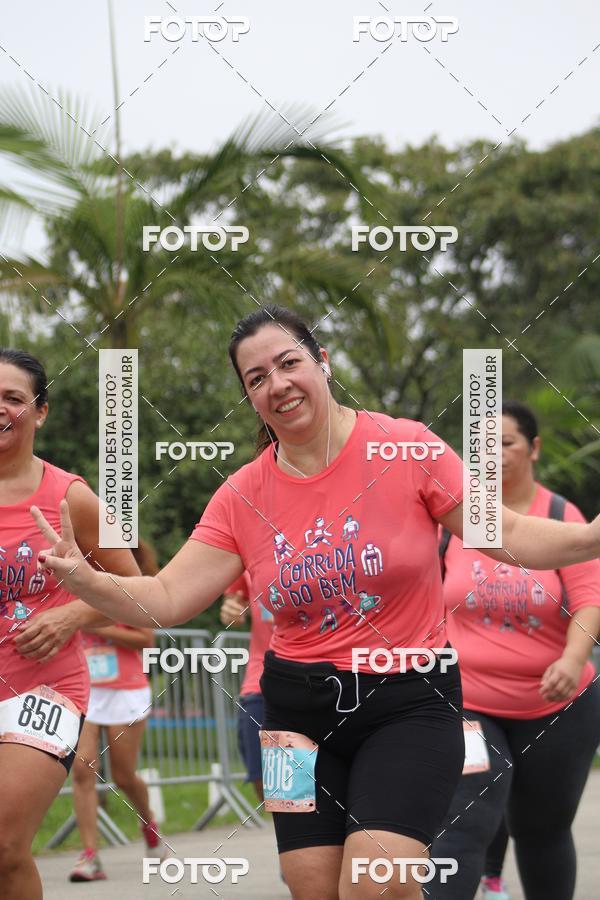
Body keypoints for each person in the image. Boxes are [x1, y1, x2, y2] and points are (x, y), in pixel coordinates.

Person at [29, 307, 600, 900]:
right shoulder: (242, 494)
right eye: (255, 378)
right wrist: (85, 580)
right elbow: (169, 596)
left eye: (288, 363)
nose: (276, 384)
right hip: (293, 717)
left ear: (322, 363)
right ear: (250, 398)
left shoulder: (404, 448)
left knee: (376, 883)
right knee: (311, 888)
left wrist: (588, 539)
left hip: (409, 703)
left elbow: (501, 532)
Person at [429, 400, 600, 900]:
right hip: (469, 703)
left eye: (505, 443)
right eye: (483, 446)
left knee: (541, 831)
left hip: (558, 708)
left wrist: (573, 659)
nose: (494, 456)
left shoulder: (559, 515)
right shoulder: (455, 522)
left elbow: (590, 599)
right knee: (464, 820)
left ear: (534, 449)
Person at [0, 348, 140, 900]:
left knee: (6, 846)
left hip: (44, 688)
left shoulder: (71, 497)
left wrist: (73, 612)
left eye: (13, 398)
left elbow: (139, 592)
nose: (0, 408)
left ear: (40, 412)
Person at [68, 540, 162, 882]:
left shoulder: (130, 585)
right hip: (85, 689)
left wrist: (94, 626)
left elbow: (145, 640)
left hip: (125, 689)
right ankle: (90, 856)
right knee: (83, 768)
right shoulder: (77, 580)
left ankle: (148, 824)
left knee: (124, 775)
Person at [220, 571, 274, 802]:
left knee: (314, 779)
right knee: (263, 774)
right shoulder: (252, 541)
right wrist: (231, 608)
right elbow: (234, 598)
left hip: (328, 672)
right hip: (263, 675)